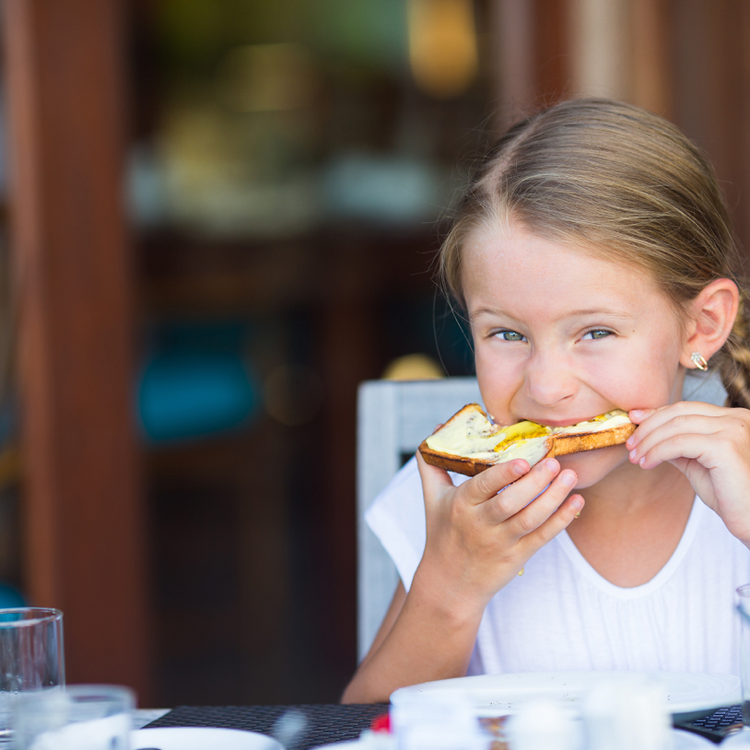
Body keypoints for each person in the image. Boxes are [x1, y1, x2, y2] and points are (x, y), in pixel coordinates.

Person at [341, 98, 750, 704]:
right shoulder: (458, 504)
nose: (546, 386)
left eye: (596, 332)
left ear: (701, 326)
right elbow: (365, 730)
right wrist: (450, 587)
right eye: (507, 334)